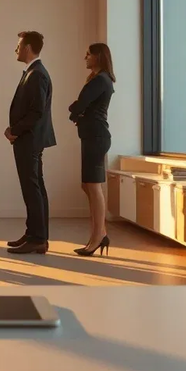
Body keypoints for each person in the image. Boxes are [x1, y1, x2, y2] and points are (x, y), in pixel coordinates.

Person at [5, 30, 56, 254]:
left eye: (18, 46)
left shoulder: (37, 74)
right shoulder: (34, 72)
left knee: (32, 188)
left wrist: (14, 130)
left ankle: (37, 238)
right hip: (30, 139)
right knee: (35, 188)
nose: (16, 49)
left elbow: (36, 112)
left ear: (27, 48)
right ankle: (35, 234)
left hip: (29, 140)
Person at [70, 43, 115, 256]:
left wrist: (76, 111)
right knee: (87, 185)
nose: (85, 57)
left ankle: (98, 236)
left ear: (98, 56)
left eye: (88, 54)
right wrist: (77, 110)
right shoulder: (98, 79)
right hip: (91, 136)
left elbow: (79, 105)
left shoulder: (100, 80)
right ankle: (100, 233)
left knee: (93, 186)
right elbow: (81, 106)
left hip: (96, 137)